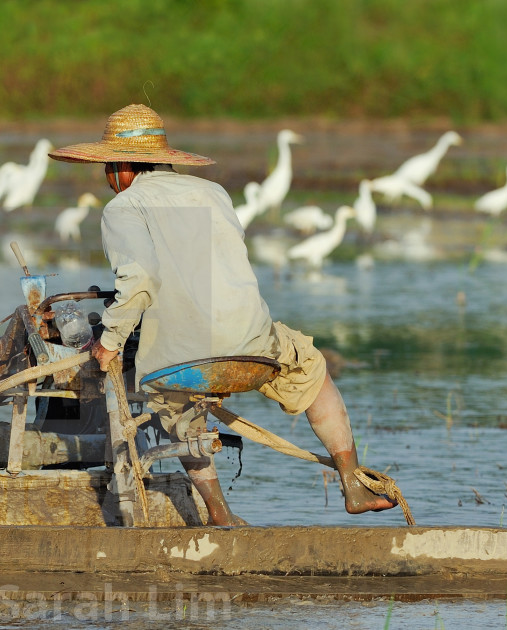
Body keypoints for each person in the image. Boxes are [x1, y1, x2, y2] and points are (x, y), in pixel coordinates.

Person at [48, 104, 396, 526]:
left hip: (184, 361)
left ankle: (219, 514)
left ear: (121, 168)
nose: (107, 179)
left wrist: (108, 342)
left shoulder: (123, 207)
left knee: (174, 407)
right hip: (252, 345)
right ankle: (354, 484)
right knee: (311, 367)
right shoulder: (213, 192)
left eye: (107, 169)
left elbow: (139, 282)